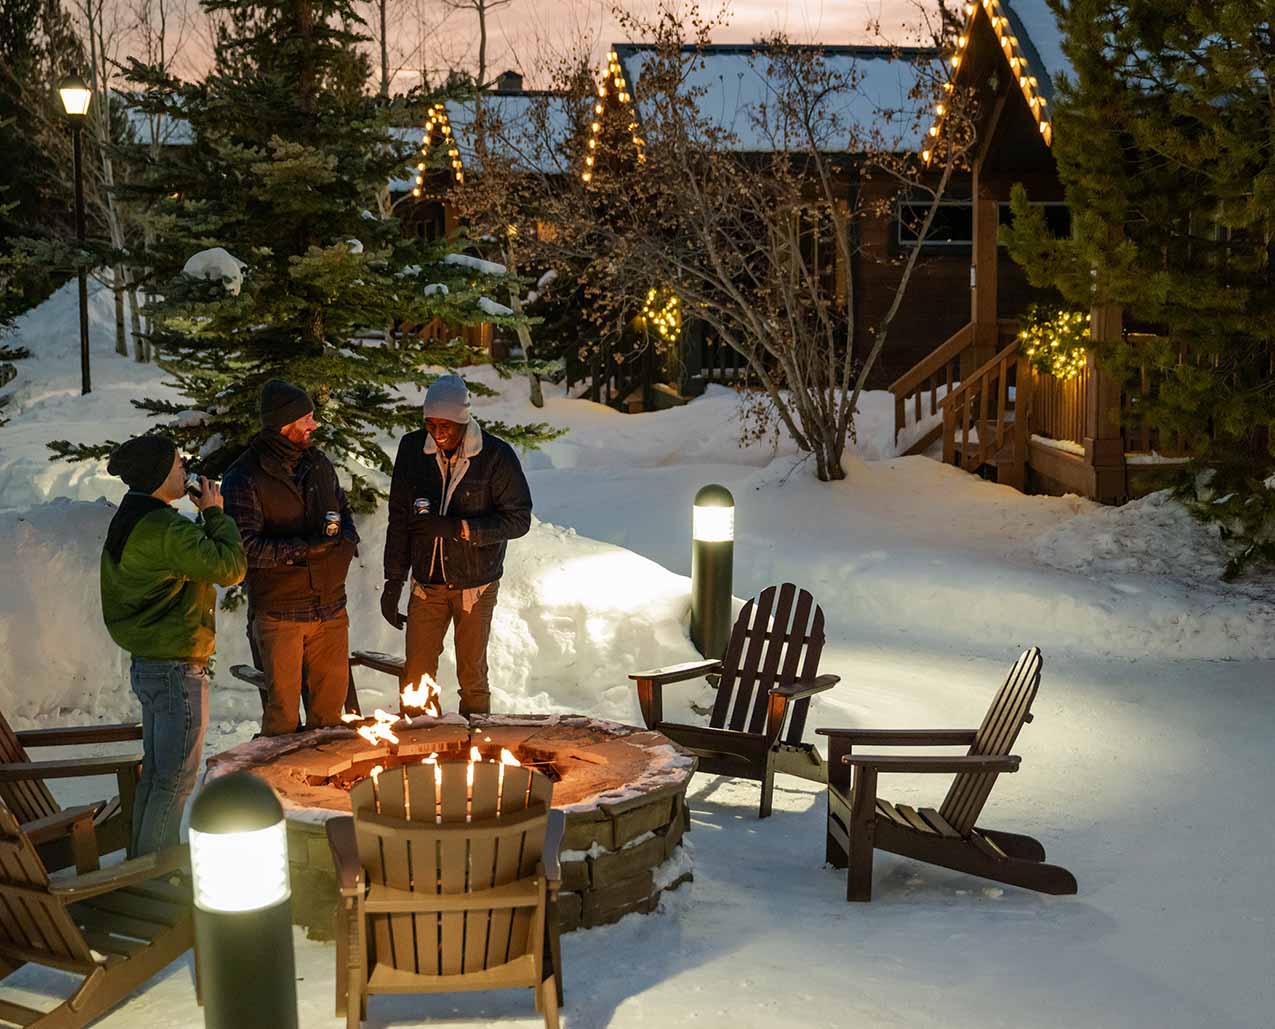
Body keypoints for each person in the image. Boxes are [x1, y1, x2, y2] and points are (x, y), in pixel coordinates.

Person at [100, 435, 246, 855]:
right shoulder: (164, 527)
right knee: (175, 779)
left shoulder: (134, 519)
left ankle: (141, 865)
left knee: (158, 775)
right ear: (160, 473)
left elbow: (188, 558)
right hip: (175, 670)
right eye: (179, 464)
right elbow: (229, 567)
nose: (186, 469)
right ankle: (156, 876)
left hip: (151, 664)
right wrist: (215, 513)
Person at [381, 374, 532, 717]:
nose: (437, 431)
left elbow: (519, 519)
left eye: (445, 424)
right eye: (430, 423)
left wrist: (460, 528)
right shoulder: (412, 450)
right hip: (426, 585)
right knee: (416, 678)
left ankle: (474, 751)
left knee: (472, 676)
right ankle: (420, 751)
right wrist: (393, 580)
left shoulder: (495, 457)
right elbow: (400, 518)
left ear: (462, 419)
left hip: (474, 586)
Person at [222, 380, 359, 736]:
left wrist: (344, 546)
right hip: (280, 614)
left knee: (329, 718)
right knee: (282, 719)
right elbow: (245, 547)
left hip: (330, 609)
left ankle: (326, 788)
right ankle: (281, 790)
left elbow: (343, 514)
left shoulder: (318, 463)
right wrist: (303, 549)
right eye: (306, 418)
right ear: (285, 424)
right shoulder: (244, 476)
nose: (314, 425)